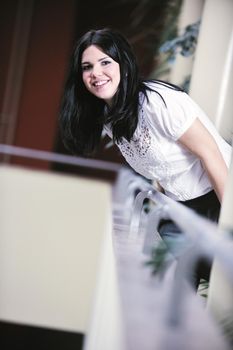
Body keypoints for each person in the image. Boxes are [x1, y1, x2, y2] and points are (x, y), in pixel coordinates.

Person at [59, 28, 232, 287]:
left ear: (123, 64)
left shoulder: (157, 102)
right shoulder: (111, 118)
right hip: (186, 206)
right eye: (87, 67)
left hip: (220, 191)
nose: (95, 73)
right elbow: (158, 165)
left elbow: (211, 154)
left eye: (105, 62)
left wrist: (229, 217)